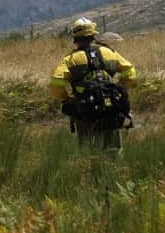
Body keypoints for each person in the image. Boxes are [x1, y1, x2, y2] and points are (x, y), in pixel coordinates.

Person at [49, 17, 136, 150]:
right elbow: (130, 72)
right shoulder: (109, 53)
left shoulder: (70, 59)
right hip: (111, 108)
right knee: (113, 149)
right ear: (93, 34)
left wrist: (66, 99)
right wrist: (119, 90)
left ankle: (91, 163)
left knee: (88, 149)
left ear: (75, 37)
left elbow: (56, 84)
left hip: (85, 112)